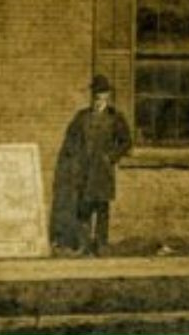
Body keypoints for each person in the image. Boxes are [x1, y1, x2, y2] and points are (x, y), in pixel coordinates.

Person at [58, 75, 133, 256]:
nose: (100, 100)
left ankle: (101, 245)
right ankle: (84, 245)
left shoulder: (115, 118)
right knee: (83, 209)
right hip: (84, 170)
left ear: (109, 97)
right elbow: (70, 140)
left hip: (102, 170)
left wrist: (111, 157)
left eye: (104, 96)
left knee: (102, 208)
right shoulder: (82, 117)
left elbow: (126, 141)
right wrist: (75, 158)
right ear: (92, 97)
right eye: (97, 96)